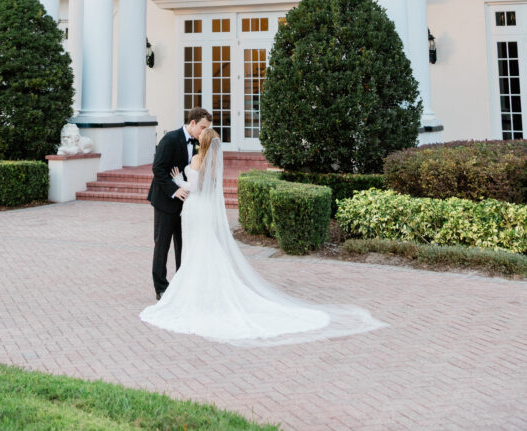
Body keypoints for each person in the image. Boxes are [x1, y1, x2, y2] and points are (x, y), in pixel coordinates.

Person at [141, 128, 385, 345]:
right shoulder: (213, 164)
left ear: (202, 143)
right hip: (204, 211)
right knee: (205, 248)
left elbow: (194, 187)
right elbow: (208, 187)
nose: (200, 134)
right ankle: (206, 291)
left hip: (194, 208)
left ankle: (193, 293)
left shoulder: (196, 160)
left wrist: (177, 180)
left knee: (195, 248)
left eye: (203, 134)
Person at [147, 107, 212, 300]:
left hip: (187, 205)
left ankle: (181, 283)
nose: (204, 132)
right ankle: (161, 287)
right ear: (192, 123)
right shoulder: (170, 139)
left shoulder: (200, 143)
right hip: (165, 201)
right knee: (162, 245)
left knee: (183, 245)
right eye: (202, 127)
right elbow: (158, 169)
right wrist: (175, 190)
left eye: (207, 129)